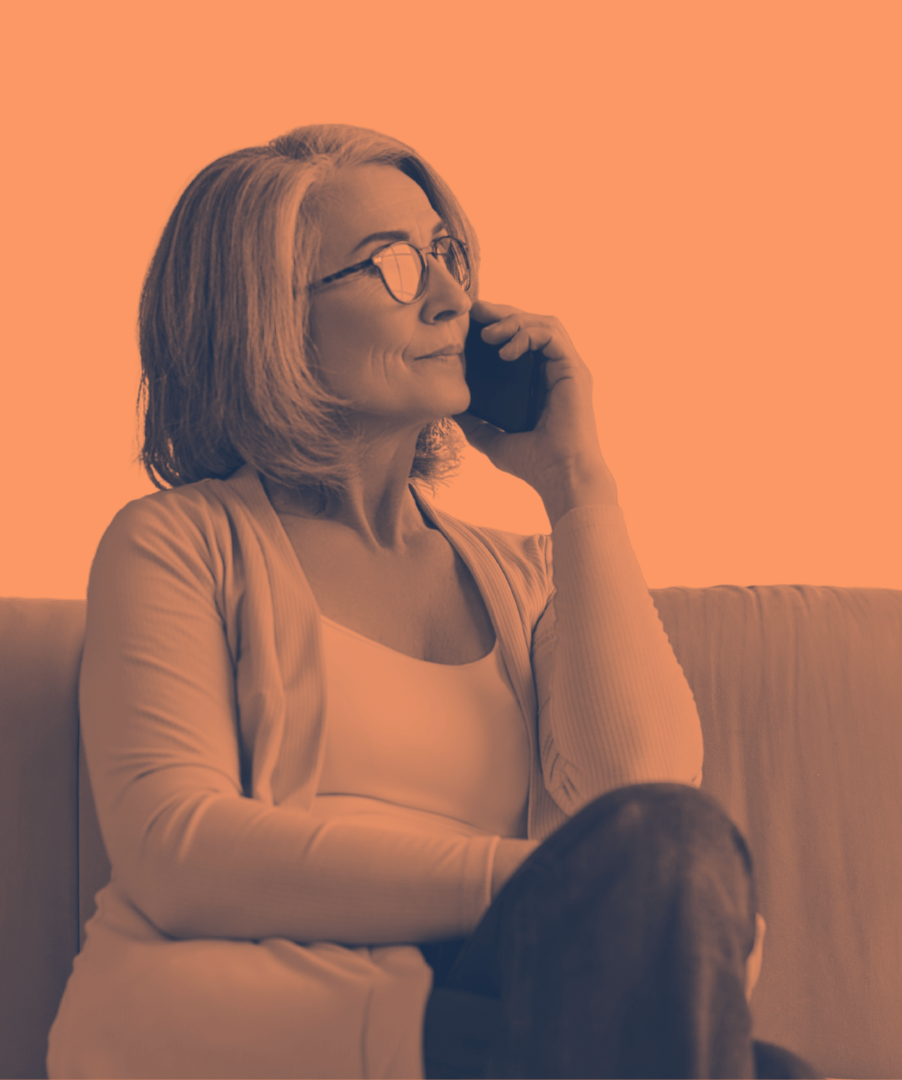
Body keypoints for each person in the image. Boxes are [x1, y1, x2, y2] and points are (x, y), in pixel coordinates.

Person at [46, 124, 818, 1079]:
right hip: (267, 1018)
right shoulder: (177, 543)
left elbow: (639, 802)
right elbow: (179, 851)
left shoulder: (526, 575)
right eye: (396, 268)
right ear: (268, 320)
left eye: (447, 255)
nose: (453, 298)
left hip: (487, 1003)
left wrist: (578, 485)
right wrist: (536, 883)